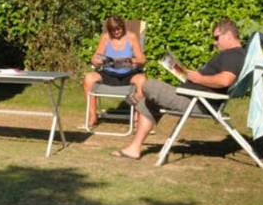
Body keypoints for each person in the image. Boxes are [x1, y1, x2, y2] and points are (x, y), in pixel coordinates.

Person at [112, 17, 246, 160]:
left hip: (197, 102)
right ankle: (134, 148)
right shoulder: (232, 54)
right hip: (194, 97)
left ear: (229, 36)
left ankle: (136, 97)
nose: (215, 42)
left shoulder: (233, 55)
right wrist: (190, 76)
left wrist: (198, 78)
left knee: (148, 84)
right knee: (149, 102)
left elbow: (225, 80)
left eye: (217, 37)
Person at [82, 15, 146, 129]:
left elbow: (142, 59)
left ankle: (137, 118)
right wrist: (97, 60)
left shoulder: (131, 37)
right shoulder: (105, 38)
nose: (116, 32)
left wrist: (131, 60)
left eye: (118, 29)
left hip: (128, 74)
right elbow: (95, 57)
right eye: (113, 30)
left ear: (123, 26)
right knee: (89, 78)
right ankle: (92, 116)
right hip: (108, 74)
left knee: (142, 80)